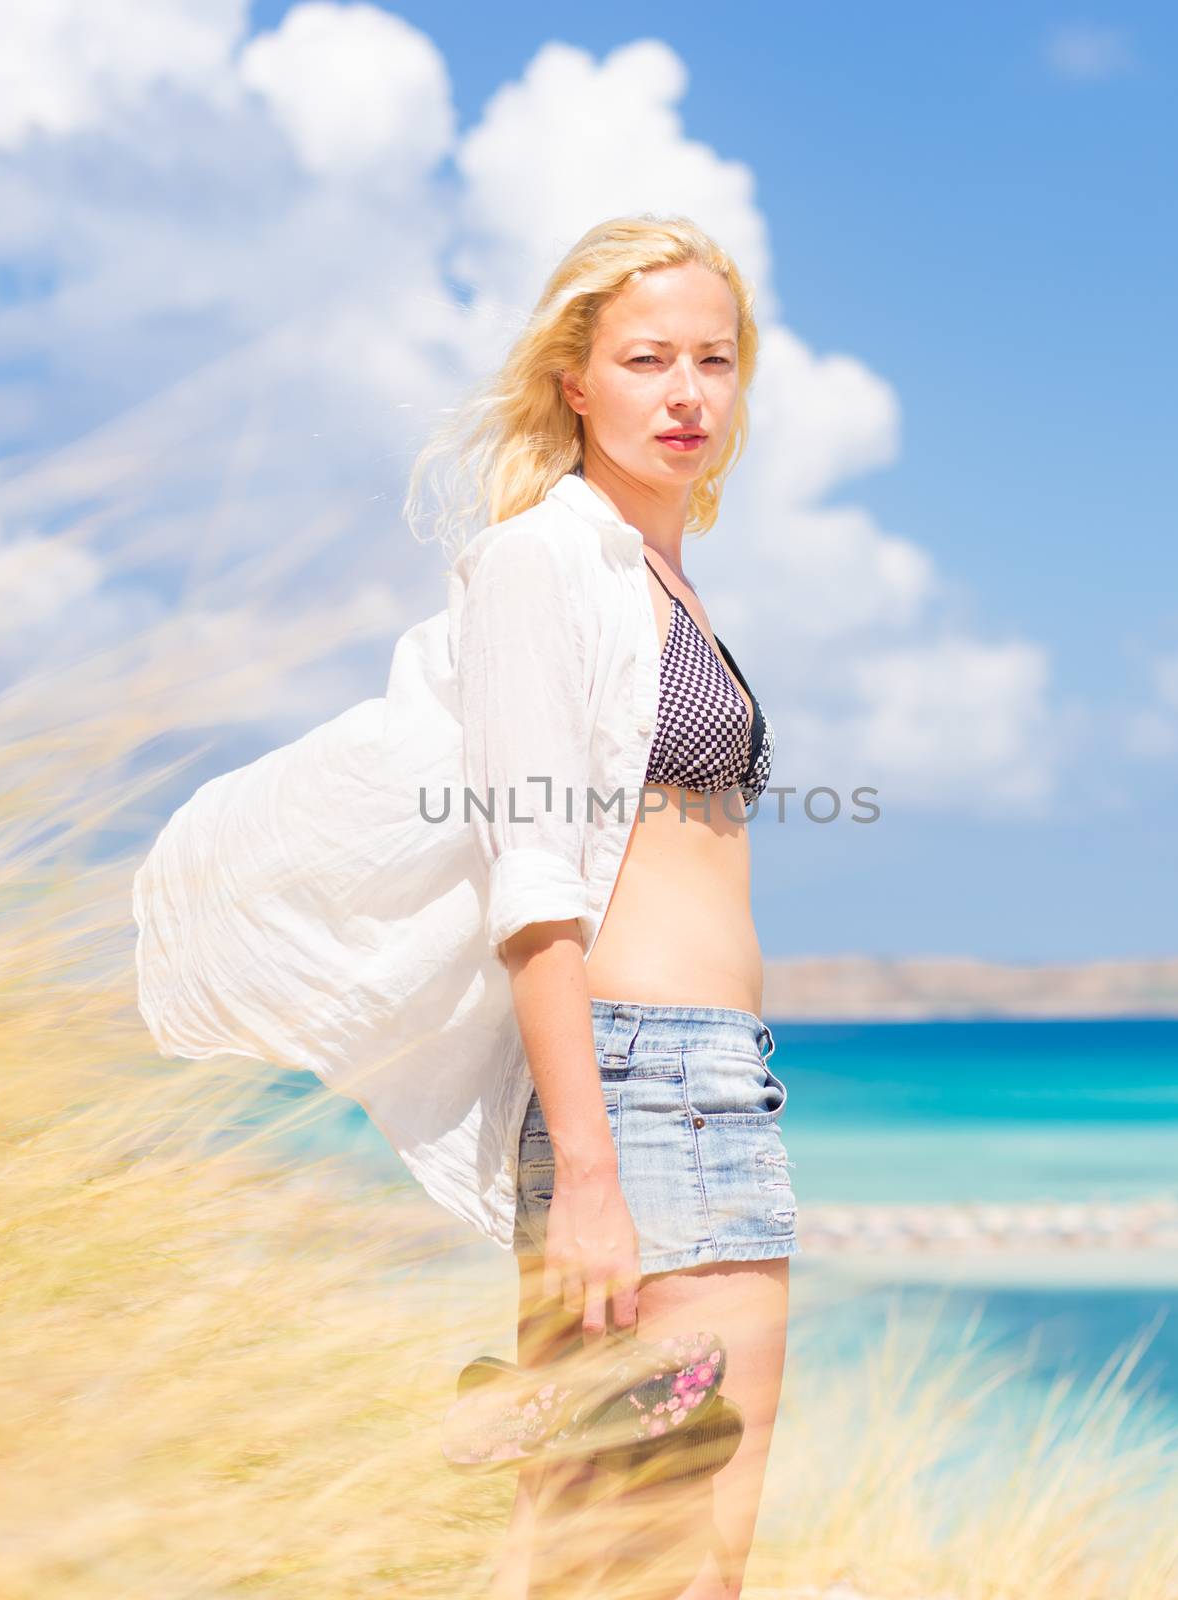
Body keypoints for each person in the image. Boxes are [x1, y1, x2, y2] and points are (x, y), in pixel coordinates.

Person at [407, 214, 795, 1599]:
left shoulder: (667, 576)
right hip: (630, 1085)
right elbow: (532, 887)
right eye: (647, 360)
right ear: (575, 379)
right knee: (649, 1555)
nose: (687, 393)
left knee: (684, 1544)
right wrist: (586, 1172)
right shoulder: (543, 562)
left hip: (722, 1081)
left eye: (715, 359)